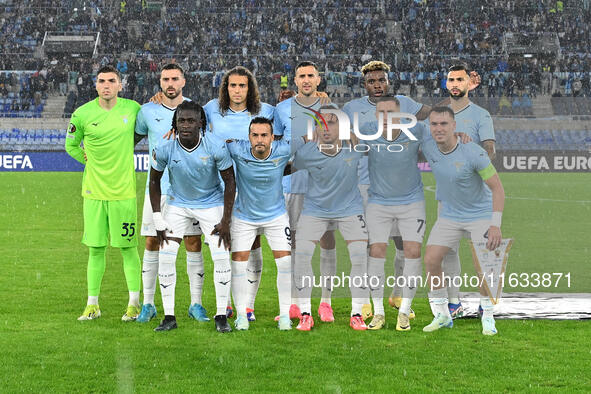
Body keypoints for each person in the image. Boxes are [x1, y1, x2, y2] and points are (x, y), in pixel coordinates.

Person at [342, 60, 428, 316]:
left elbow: (435, 117)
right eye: (372, 81)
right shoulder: (351, 108)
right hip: (364, 185)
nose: (377, 85)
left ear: (388, 81)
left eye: (381, 80)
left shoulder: (405, 103)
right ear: (364, 84)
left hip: (400, 188)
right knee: (370, 246)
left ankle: (398, 296)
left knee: (404, 244)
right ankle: (367, 301)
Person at [149, 101, 236, 332]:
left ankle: (220, 315)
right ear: (175, 124)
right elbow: (154, 180)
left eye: (190, 120)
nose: (185, 125)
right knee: (166, 256)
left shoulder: (215, 145)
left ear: (201, 123)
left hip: (211, 204)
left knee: (220, 256)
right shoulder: (165, 146)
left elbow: (230, 181)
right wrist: (157, 216)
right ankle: (169, 317)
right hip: (177, 204)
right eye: (181, 121)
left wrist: (226, 220)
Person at [65, 65, 142, 322]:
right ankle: (92, 305)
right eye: (101, 81)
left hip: (123, 193)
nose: (106, 85)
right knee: (96, 249)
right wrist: (88, 161)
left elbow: (149, 125)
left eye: (112, 81)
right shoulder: (82, 113)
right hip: (94, 193)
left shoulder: (133, 109)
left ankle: (134, 303)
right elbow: (71, 144)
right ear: (95, 85)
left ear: (120, 85)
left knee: (128, 249)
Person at [421, 107, 505, 336]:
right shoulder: (427, 145)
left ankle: (488, 316)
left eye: (444, 124)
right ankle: (442, 315)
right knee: (431, 260)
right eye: (434, 124)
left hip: (480, 216)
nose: (439, 129)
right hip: (449, 215)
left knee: (485, 265)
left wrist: (495, 224)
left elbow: (497, 188)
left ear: (455, 126)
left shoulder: (473, 152)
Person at [134, 63, 207, 324]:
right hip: (157, 189)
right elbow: (130, 140)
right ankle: (149, 304)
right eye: (166, 79)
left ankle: (196, 304)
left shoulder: (197, 109)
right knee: (152, 242)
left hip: (189, 192)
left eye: (175, 78)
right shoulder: (147, 110)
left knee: (193, 242)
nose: (170, 83)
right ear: (160, 82)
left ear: (184, 81)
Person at [203, 66, 275, 322]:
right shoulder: (212, 108)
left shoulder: (265, 111)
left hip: (251, 188)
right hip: (219, 190)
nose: (237, 90)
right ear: (225, 88)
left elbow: (280, 136)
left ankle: (248, 306)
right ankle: (228, 303)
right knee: (225, 247)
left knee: (253, 244)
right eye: (232, 85)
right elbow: (186, 118)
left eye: (242, 86)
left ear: (250, 88)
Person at [291, 105, 369, 331]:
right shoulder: (306, 153)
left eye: (332, 122)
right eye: (320, 123)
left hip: (350, 210)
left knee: (358, 259)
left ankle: (357, 314)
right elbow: (283, 163)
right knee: (302, 257)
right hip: (315, 210)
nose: (325, 127)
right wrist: (302, 140)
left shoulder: (355, 147)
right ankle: (306, 313)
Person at [273, 61, 339, 323]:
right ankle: (295, 304)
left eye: (311, 75)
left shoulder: (330, 108)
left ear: (319, 79)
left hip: (323, 185)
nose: (307, 80)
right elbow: (277, 145)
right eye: (302, 76)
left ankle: (326, 302)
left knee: (326, 240)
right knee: (294, 245)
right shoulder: (281, 109)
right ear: (295, 80)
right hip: (292, 185)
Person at [226, 117, 292, 330]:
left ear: (273, 137)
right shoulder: (237, 149)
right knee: (238, 265)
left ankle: (284, 316)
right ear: (249, 137)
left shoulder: (284, 150)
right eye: (255, 135)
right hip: (244, 217)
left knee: (284, 264)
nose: (260, 140)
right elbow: (211, 144)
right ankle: (242, 316)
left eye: (264, 135)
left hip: (276, 216)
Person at [442, 64, 496, 319]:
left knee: (482, 254)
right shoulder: (441, 114)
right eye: (450, 80)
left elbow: (490, 148)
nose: (454, 83)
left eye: (459, 80)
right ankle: (454, 303)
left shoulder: (481, 115)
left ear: (468, 83)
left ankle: (486, 306)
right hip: (448, 196)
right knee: (448, 251)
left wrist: (470, 154)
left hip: (476, 197)